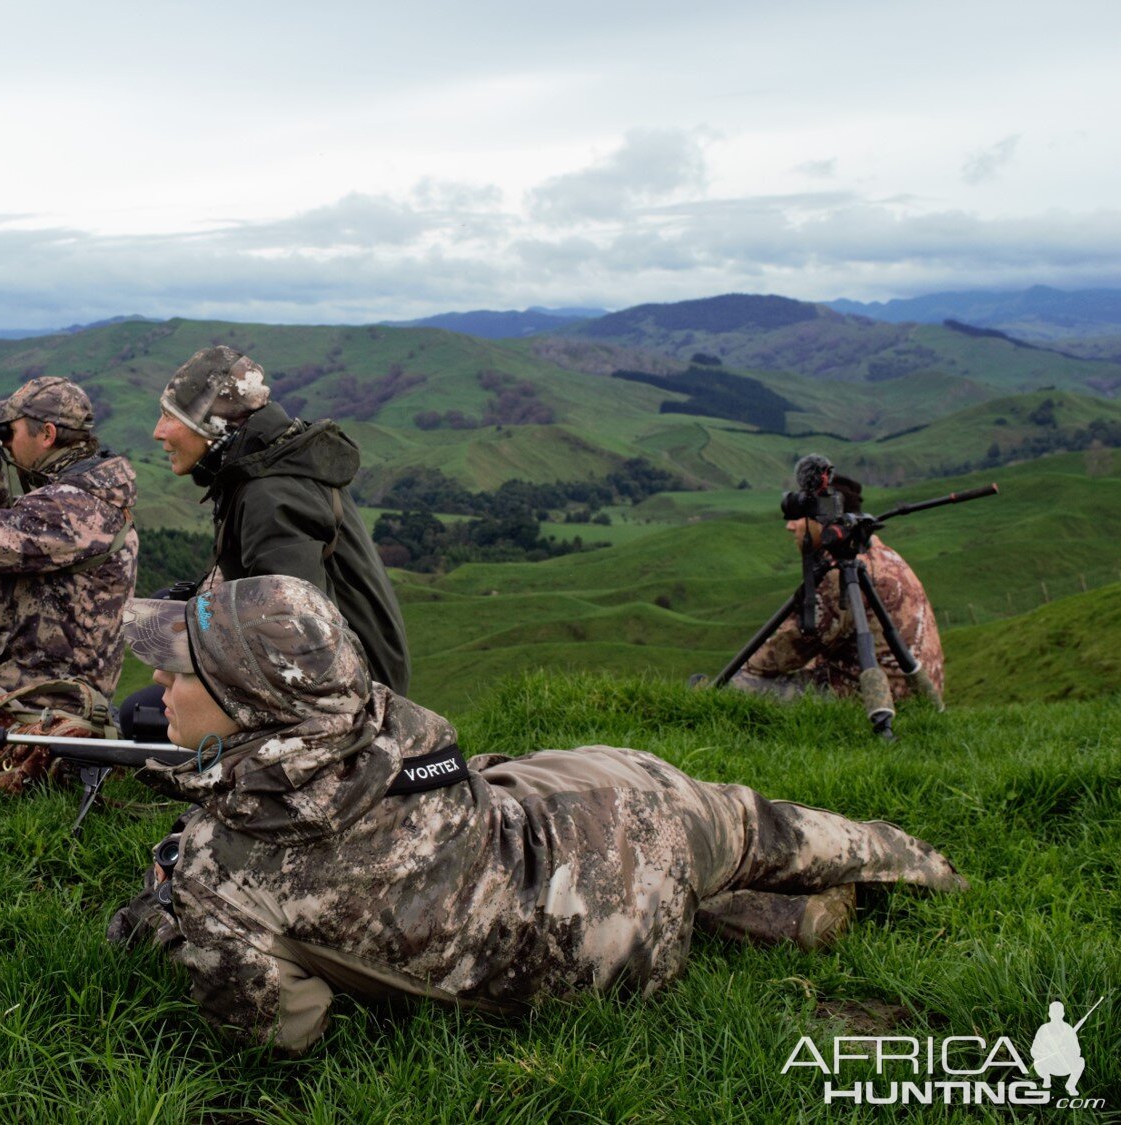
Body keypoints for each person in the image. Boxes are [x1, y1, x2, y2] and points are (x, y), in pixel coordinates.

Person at [107, 574, 967, 1054]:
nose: (159, 687)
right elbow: (442, 777)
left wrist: (169, 908)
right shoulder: (390, 722)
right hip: (623, 815)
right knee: (761, 826)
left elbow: (288, 1028)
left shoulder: (224, 878)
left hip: (592, 965)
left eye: (183, 672)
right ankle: (925, 867)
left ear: (253, 705)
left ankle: (762, 917)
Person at [0, 375, 138, 793]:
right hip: (55, 690)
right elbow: (13, 547)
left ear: (47, 434)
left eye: (12, 431)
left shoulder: (67, 507)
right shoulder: (91, 495)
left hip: (41, 705)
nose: (7, 440)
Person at [150, 345, 409, 691]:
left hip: (354, 690)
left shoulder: (270, 494)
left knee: (149, 712)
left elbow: (296, 636)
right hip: (351, 674)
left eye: (170, 417)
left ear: (213, 423)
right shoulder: (258, 470)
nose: (158, 432)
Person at [730, 470, 945, 707]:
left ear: (826, 522)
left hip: (877, 699)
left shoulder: (843, 574)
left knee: (737, 685)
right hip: (916, 692)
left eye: (799, 516)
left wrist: (740, 669)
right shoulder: (885, 557)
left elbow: (784, 652)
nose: (790, 527)